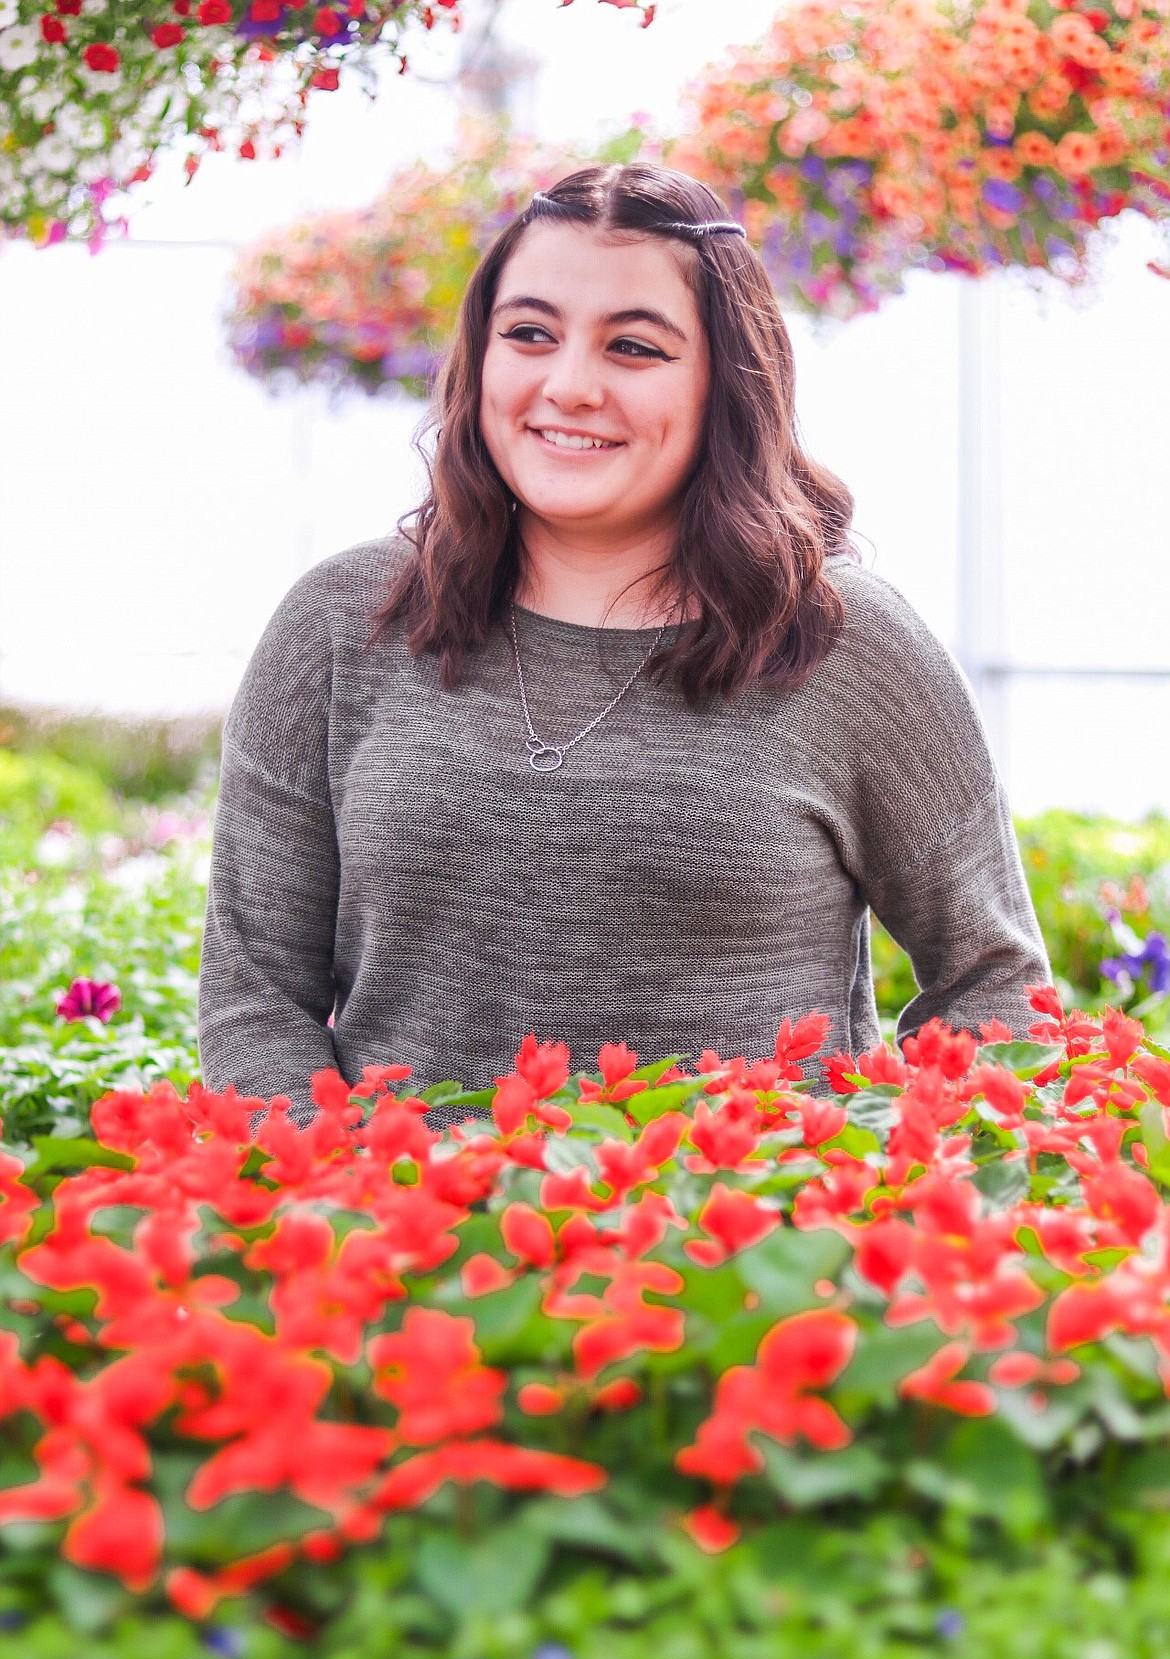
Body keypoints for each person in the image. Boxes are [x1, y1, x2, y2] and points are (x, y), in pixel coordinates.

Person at [197, 161, 1052, 1128]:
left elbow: (995, 985)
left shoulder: (843, 643)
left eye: (634, 348)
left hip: (749, 1261)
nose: (568, 386)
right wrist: (356, 1207)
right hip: (406, 1256)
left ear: (726, 381)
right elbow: (254, 993)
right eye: (529, 334)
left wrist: (871, 1207)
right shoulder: (343, 622)